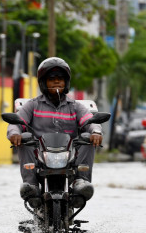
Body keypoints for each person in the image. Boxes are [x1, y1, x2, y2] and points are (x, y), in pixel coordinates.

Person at [7, 57, 102, 206]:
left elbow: (90, 121)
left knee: (88, 138)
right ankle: (31, 185)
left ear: (66, 82)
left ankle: (80, 181)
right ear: (44, 83)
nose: (57, 82)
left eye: (60, 79)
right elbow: (17, 123)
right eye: (52, 79)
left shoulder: (75, 106)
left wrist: (96, 132)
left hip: (70, 157)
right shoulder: (33, 105)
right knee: (24, 139)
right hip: (39, 157)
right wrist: (14, 134)